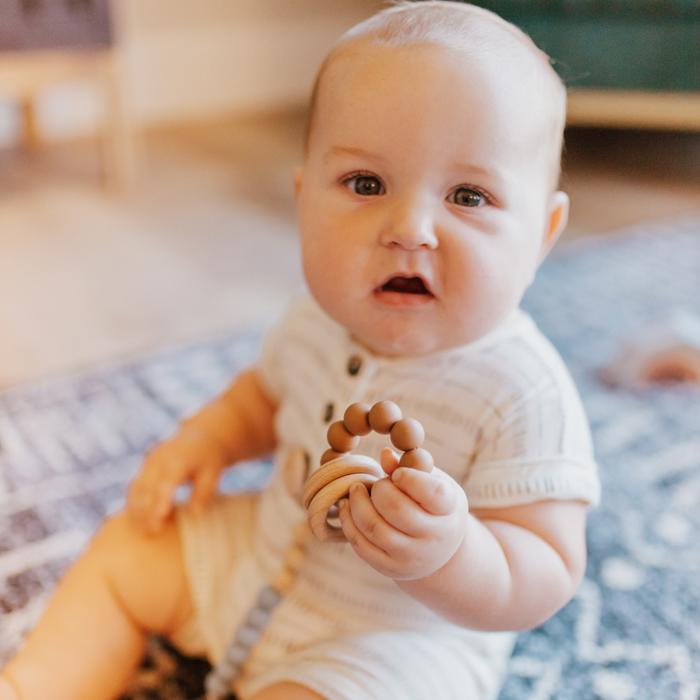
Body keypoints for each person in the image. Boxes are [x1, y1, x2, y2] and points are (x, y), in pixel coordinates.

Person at [0, 2, 601, 698]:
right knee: (126, 550)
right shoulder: (315, 318)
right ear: (304, 200)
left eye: (468, 195)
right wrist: (209, 441)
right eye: (366, 184)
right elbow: (265, 396)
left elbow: (548, 568)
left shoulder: (522, 391)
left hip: (394, 642)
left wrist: (452, 553)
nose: (410, 227)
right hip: (256, 557)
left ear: (542, 236)